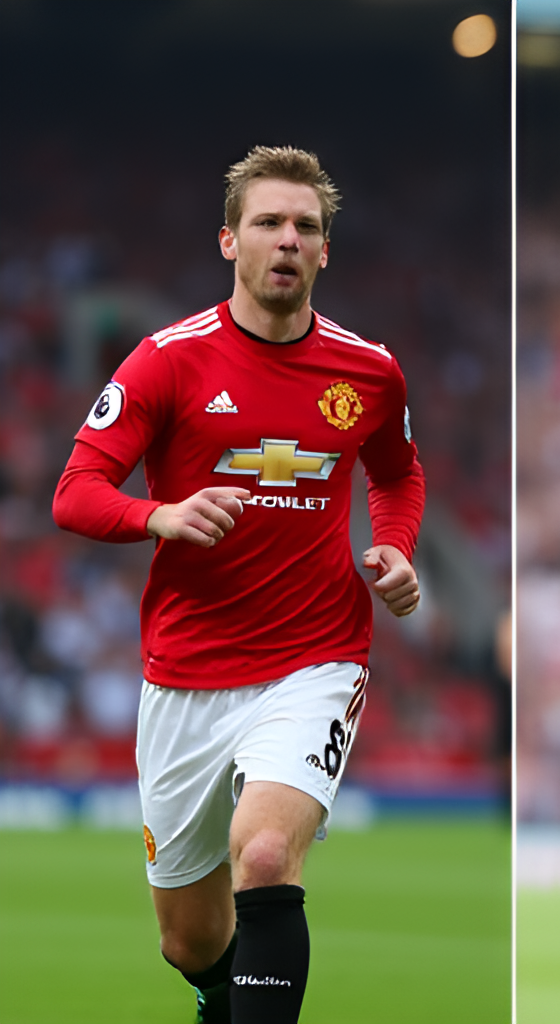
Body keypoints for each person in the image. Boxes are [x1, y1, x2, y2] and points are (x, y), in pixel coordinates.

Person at [53, 145, 425, 1024]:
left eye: (306, 227)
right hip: (185, 671)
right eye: (269, 223)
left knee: (262, 857)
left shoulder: (368, 370)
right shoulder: (165, 362)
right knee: (187, 939)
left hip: (316, 658)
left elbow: (398, 473)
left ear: (326, 251)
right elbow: (74, 492)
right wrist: (159, 515)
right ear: (230, 241)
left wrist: (398, 549)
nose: (287, 240)